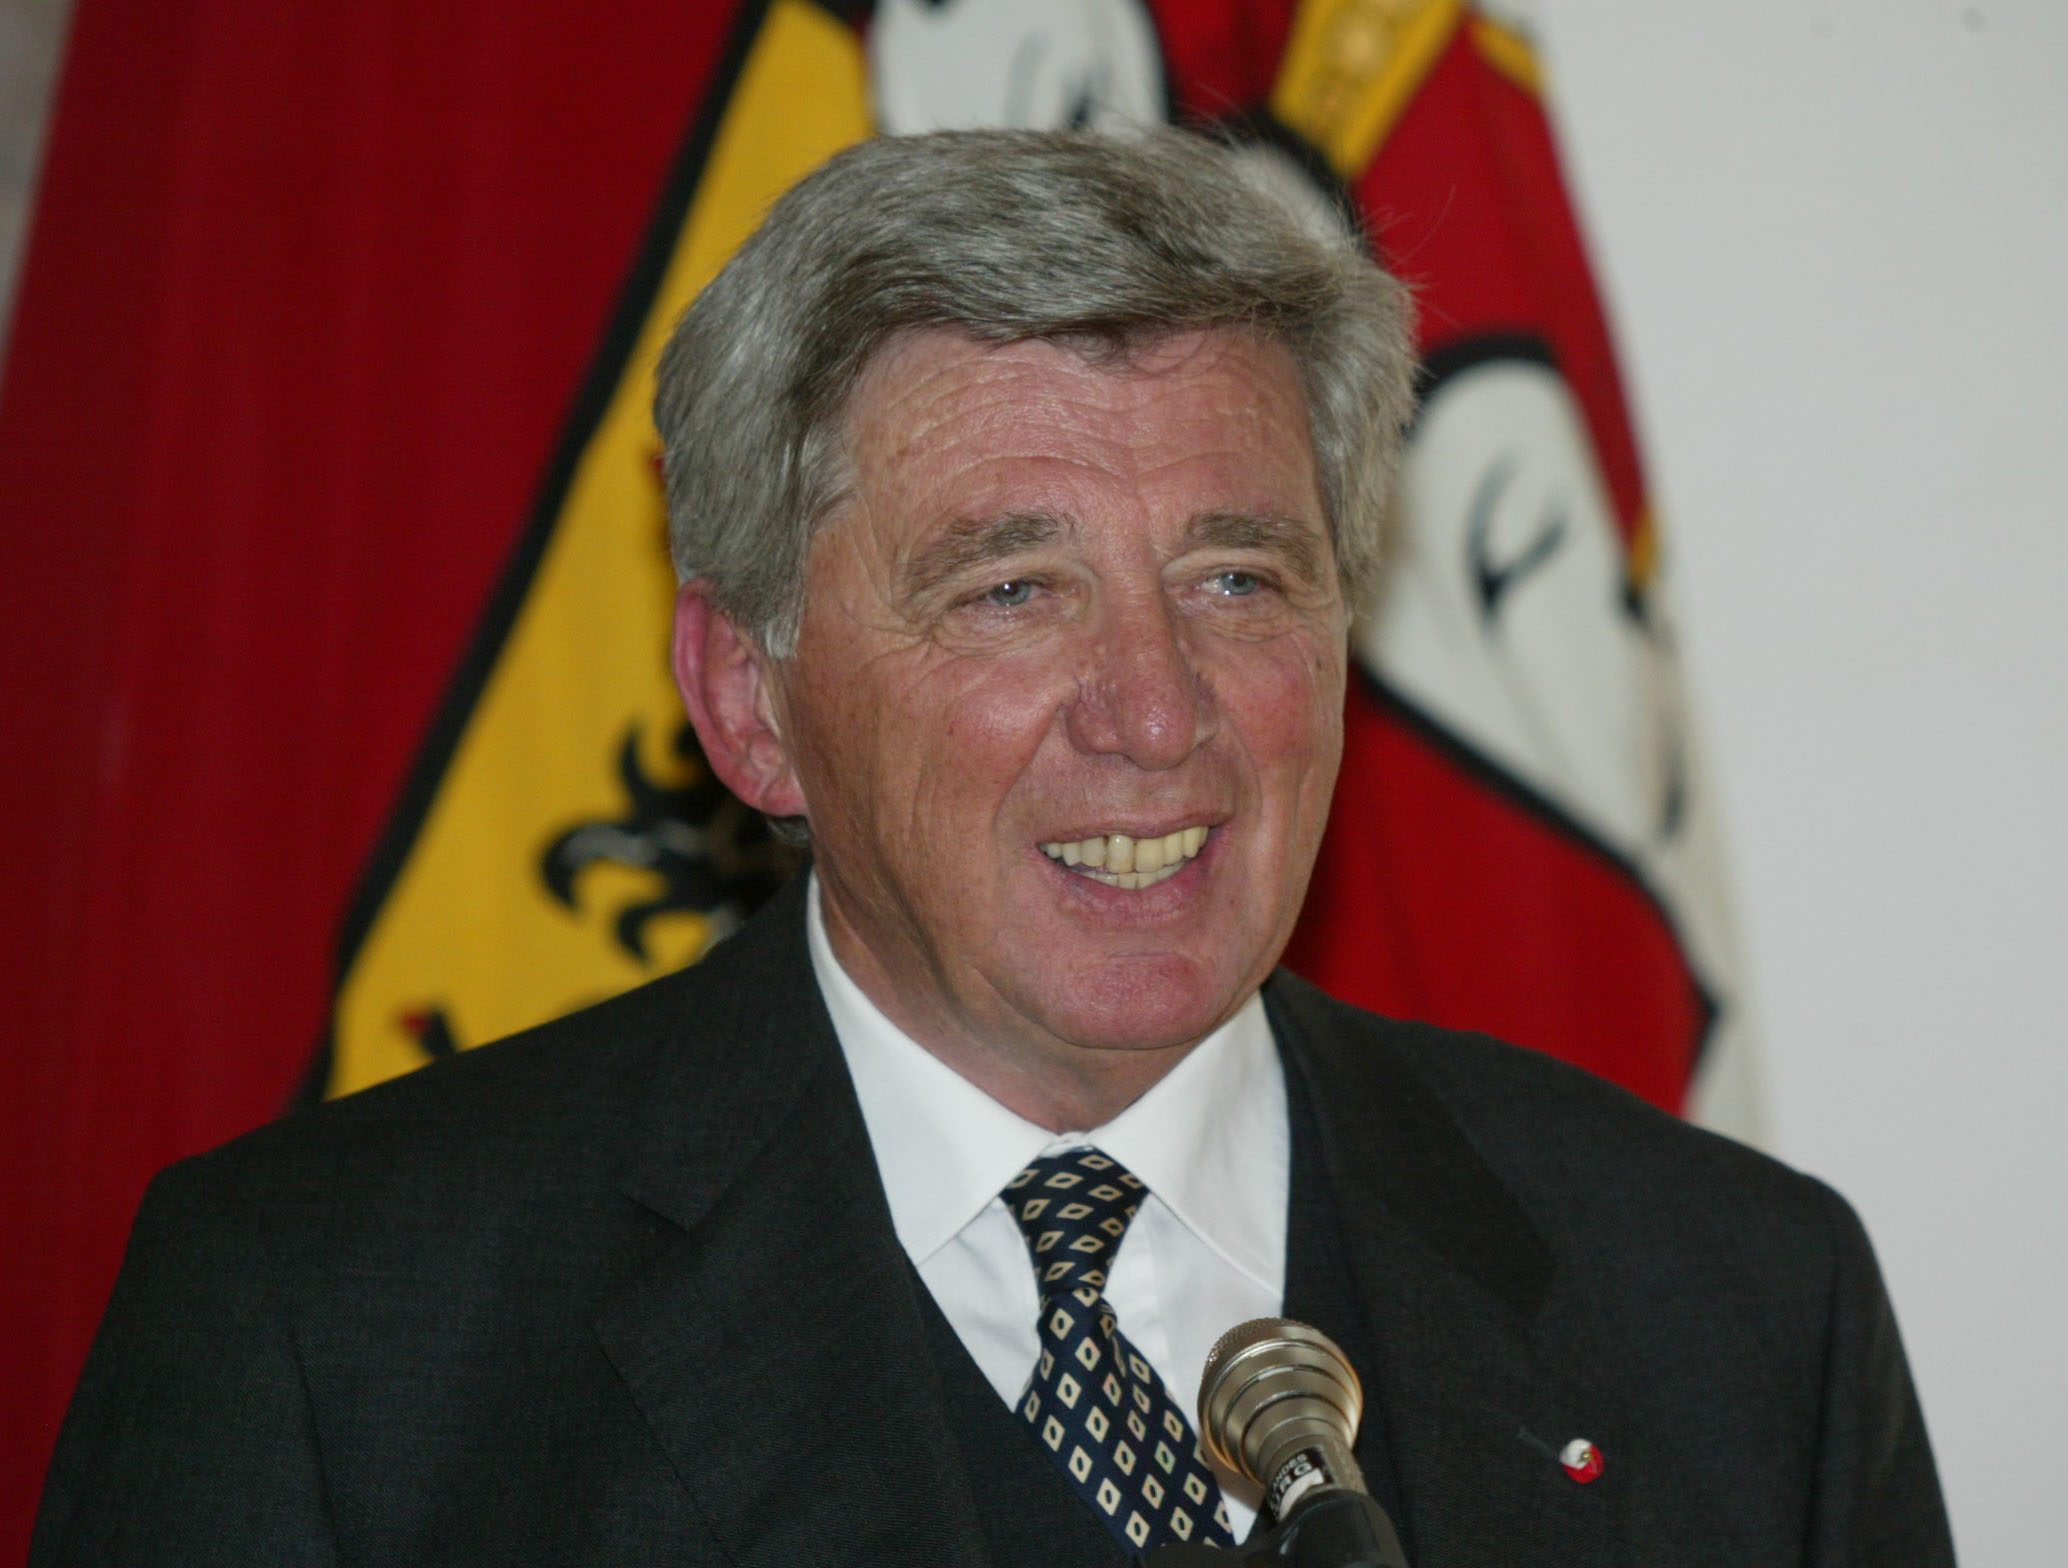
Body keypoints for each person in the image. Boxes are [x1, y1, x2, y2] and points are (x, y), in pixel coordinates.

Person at [32, 127, 1952, 1567]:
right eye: (1012, 591)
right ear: (751, 700)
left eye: (1236, 576)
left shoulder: (1739, 1311)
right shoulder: (325, 1339)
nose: (1156, 711)